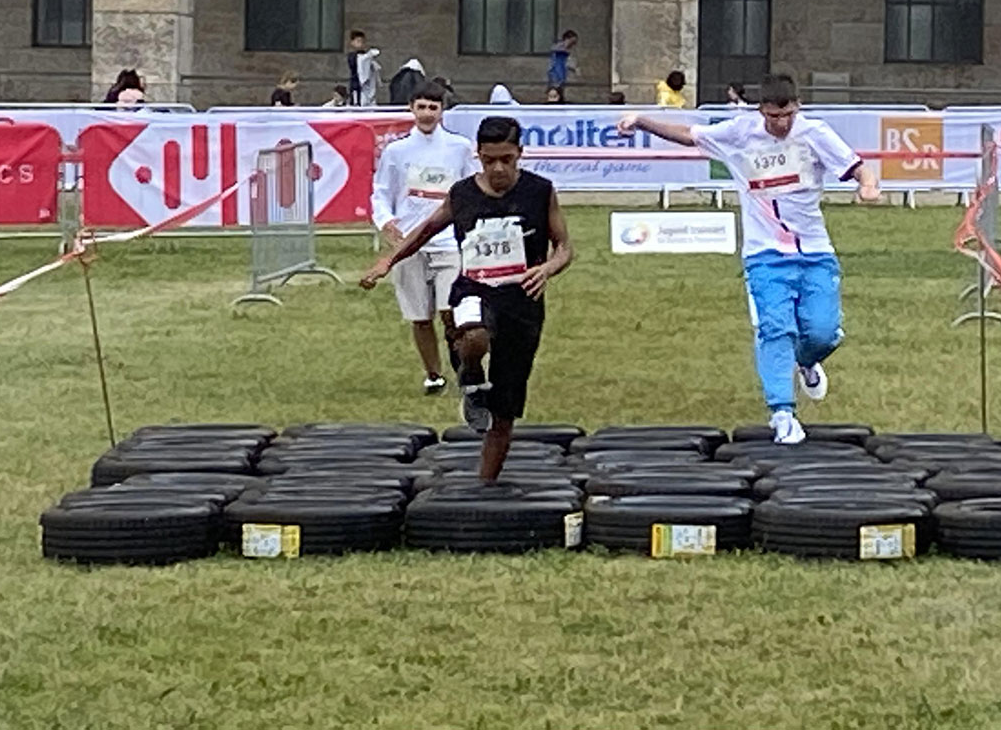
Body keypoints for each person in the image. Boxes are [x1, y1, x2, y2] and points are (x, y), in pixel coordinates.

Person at [619, 73, 880, 444]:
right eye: (773, 116)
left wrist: (868, 186)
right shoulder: (741, 133)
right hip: (765, 254)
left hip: (815, 250)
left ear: (797, 107)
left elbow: (857, 167)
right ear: (761, 112)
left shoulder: (815, 133)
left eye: (787, 115)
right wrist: (641, 121)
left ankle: (806, 360)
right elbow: (690, 136)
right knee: (775, 330)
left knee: (823, 332)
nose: (780, 124)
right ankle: (783, 414)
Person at [361, 116, 574, 480]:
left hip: (521, 301)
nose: (498, 168)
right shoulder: (462, 194)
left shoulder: (540, 191)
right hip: (474, 289)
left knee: (505, 408)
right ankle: (471, 380)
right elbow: (426, 230)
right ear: (478, 155)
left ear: (520, 154)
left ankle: (485, 484)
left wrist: (548, 269)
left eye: (506, 159)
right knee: (474, 335)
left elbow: (564, 247)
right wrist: (388, 261)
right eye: (489, 160)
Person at [369, 81, 479, 396]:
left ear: (442, 110)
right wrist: (388, 223)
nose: (427, 113)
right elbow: (381, 193)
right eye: (422, 107)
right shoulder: (396, 151)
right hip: (409, 247)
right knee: (419, 316)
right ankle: (433, 374)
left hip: (449, 245)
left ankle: (464, 366)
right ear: (411, 109)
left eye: (434, 107)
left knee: (451, 312)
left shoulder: (459, 147)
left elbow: (470, 188)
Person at [347, 30, 382, 107]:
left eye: (362, 41)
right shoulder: (352, 56)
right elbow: (356, 64)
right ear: (352, 42)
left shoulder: (367, 56)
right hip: (357, 86)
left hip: (368, 87)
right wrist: (368, 56)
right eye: (358, 41)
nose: (361, 44)